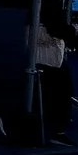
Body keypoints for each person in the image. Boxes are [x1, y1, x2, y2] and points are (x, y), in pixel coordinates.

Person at [31, 11, 72, 143]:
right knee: (60, 95)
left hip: (40, 60)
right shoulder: (50, 19)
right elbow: (61, 31)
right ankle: (56, 131)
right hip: (50, 62)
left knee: (46, 95)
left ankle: (52, 129)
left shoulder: (32, 18)